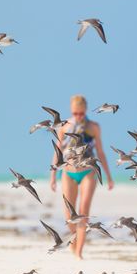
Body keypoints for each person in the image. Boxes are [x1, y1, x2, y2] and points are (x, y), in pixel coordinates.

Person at [50, 95, 114, 259]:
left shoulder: (93, 127)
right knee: (70, 216)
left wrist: (108, 176)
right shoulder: (64, 127)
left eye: (81, 113)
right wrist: (53, 176)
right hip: (68, 173)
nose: (78, 116)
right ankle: (75, 242)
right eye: (75, 113)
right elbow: (57, 152)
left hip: (88, 172)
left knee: (83, 213)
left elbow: (100, 152)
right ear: (71, 111)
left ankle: (79, 252)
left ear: (85, 111)